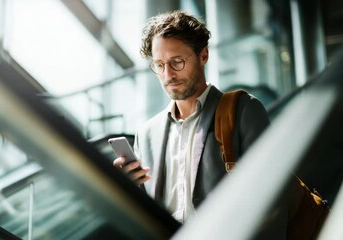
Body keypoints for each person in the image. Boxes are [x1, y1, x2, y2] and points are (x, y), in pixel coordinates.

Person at [113, 10, 286, 238]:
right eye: (159, 65)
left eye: (177, 62)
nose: (168, 75)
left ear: (203, 55)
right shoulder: (146, 135)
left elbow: (274, 196)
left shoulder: (243, 110)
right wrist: (124, 186)